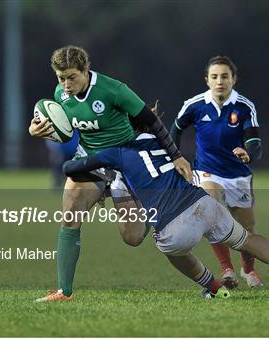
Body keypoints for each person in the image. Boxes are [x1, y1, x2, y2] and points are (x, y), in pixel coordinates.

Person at [59, 132, 269, 300]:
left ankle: (215, 289)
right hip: (202, 202)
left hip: (173, 225)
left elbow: (71, 166)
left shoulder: (116, 150)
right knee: (246, 239)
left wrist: (103, 171)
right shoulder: (160, 140)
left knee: (173, 251)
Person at [29, 45, 192, 302]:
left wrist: (176, 156)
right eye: (61, 78)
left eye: (72, 76)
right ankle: (64, 292)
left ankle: (151, 206)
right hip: (90, 160)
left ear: (86, 70)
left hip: (124, 161)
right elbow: (62, 131)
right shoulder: (60, 94)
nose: (66, 84)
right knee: (70, 214)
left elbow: (151, 120)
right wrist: (37, 130)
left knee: (133, 237)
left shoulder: (113, 89)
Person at [169, 56, 263, 288]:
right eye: (214, 76)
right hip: (207, 172)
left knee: (247, 228)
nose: (219, 81)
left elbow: (255, 142)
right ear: (207, 80)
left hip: (238, 175)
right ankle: (227, 270)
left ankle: (249, 270)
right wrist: (175, 157)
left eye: (224, 76)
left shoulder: (244, 106)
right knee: (213, 214)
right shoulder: (194, 105)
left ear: (233, 79)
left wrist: (248, 153)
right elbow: (174, 132)